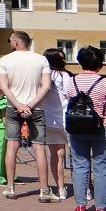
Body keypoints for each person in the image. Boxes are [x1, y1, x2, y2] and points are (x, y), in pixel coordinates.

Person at [0, 31, 52, 201]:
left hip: (14, 107)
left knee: (12, 145)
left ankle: (10, 187)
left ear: (16, 43)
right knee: (39, 147)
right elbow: (46, 86)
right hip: (36, 108)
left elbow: (4, 87)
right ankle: (44, 190)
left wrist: (18, 105)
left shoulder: (5, 60)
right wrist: (29, 105)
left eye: (10, 41)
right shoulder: (41, 60)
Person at [65, 46, 106, 211]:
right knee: (101, 168)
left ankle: (80, 206)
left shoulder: (71, 81)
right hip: (101, 128)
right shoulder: (105, 82)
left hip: (77, 128)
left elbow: (70, 101)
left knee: (80, 166)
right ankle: (100, 208)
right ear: (99, 63)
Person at [43, 48, 72, 201]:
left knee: (57, 155)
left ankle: (60, 188)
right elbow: (70, 95)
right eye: (62, 58)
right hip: (67, 119)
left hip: (49, 120)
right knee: (79, 156)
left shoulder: (42, 77)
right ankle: (85, 188)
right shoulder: (64, 75)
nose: (65, 61)